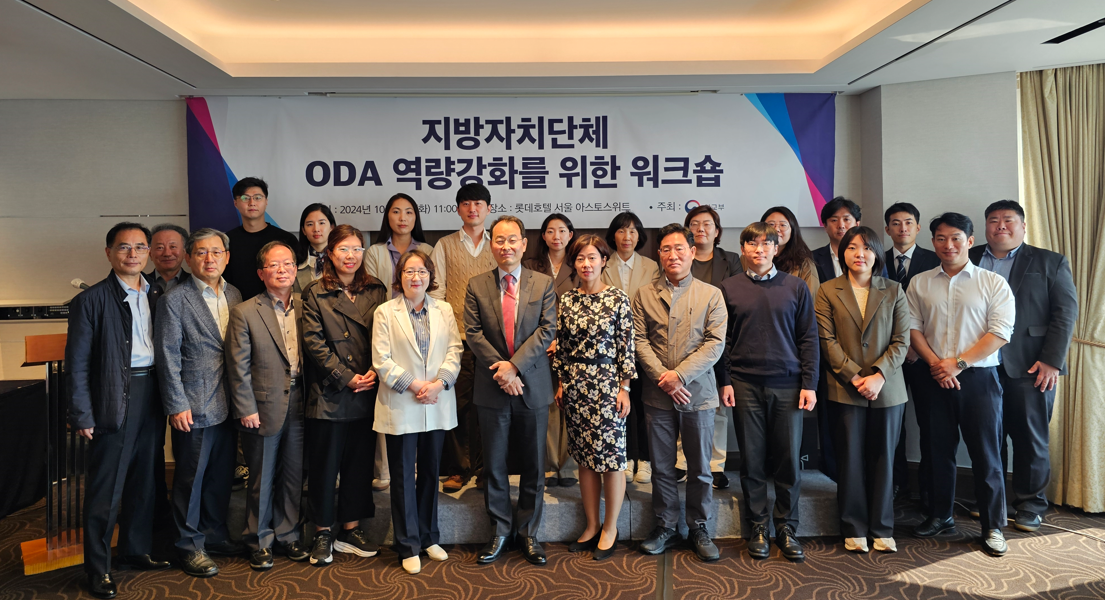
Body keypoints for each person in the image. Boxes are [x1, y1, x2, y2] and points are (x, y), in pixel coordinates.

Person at [67, 222, 170, 599]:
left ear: (149, 253)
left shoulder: (157, 292)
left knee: (145, 478)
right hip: (113, 395)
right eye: (124, 247)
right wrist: (82, 413)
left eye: (140, 247)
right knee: (105, 488)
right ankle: (97, 569)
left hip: (153, 392)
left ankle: (134, 549)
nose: (133, 254)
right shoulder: (90, 300)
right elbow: (77, 364)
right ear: (109, 252)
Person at [908, 212, 1015, 557]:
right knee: (936, 450)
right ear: (933, 242)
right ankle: (941, 515)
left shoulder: (992, 283)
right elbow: (912, 328)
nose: (948, 245)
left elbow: (1000, 333)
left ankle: (993, 525)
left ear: (969, 241)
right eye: (941, 238)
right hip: (934, 376)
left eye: (956, 238)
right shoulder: (920, 282)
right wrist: (936, 364)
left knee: (986, 453)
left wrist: (958, 363)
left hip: (979, 379)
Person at [969, 200, 1077, 533]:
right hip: (980, 365)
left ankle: (1031, 504)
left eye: (1008, 220)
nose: (1000, 226)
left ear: (1023, 226)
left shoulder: (1050, 261)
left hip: (1032, 365)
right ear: (985, 227)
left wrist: (1052, 361)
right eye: (993, 220)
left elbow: (1065, 313)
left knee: (1031, 438)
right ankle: (993, 499)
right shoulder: (969, 257)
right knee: (988, 436)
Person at [718, 222, 819, 562]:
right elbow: (723, 340)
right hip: (744, 384)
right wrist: (725, 380)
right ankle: (758, 526)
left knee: (788, 460)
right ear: (743, 249)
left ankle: (787, 526)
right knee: (752, 460)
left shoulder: (796, 287)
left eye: (766, 244)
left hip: (788, 384)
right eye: (752, 244)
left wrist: (809, 384)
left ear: (776, 249)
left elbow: (809, 339)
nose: (759, 250)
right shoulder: (729, 288)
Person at [464, 215, 557, 566]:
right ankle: (500, 530)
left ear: (524, 243)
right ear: (491, 245)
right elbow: (473, 333)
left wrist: (514, 366)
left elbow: (547, 330)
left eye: (512, 239)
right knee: (494, 465)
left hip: (532, 385)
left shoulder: (543, 283)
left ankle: (529, 533)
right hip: (492, 387)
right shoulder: (476, 285)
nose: (506, 246)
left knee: (534, 465)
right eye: (499, 240)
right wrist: (502, 371)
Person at [633, 223, 727, 562]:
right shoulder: (644, 294)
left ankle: (699, 526)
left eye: (679, 248)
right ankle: (666, 525)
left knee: (700, 467)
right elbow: (638, 340)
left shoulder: (711, 294)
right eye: (666, 249)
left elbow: (715, 343)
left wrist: (680, 376)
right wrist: (664, 378)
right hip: (657, 394)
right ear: (659, 254)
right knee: (662, 466)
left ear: (692, 252)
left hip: (697, 394)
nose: (673, 255)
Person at [154, 228, 244, 577]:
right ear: (189, 259)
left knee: (221, 476)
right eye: (202, 253)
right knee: (190, 479)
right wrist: (176, 403)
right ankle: (188, 545)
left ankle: (214, 534)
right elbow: (167, 355)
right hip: (192, 404)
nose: (210, 259)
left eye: (216, 252)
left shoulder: (234, 294)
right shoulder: (174, 300)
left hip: (230, 402)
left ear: (227, 257)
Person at [814, 226, 909, 554]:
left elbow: (902, 341)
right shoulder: (827, 290)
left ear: (877, 254)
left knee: (885, 459)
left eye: (867, 248)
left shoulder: (894, 290)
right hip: (845, 388)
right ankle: (853, 527)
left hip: (888, 389)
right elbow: (826, 340)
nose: (860, 254)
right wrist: (855, 377)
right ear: (843, 253)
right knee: (849, 459)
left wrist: (879, 376)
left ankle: (882, 528)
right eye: (852, 247)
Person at [300, 225, 389, 567]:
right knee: (324, 466)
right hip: (330, 393)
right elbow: (314, 343)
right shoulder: (315, 292)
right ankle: (322, 531)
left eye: (356, 249)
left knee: (359, 464)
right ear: (330, 254)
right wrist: (346, 377)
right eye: (343, 249)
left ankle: (350, 530)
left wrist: (376, 370)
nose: (350, 256)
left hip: (367, 388)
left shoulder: (375, 289)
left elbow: (385, 335)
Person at [372, 250, 463, 574]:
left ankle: (428, 537)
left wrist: (438, 384)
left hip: (436, 401)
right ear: (400, 277)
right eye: (409, 271)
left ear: (430, 276)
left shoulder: (444, 309)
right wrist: (415, 385)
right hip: (403, 402)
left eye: (422, 271)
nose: (416, 277)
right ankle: (408, 544)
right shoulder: (385, 312)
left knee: (430, 472)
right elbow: (381, 359)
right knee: (401, 476)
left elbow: (454, 349)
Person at [226, 240, 309, 570]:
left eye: (288, 264)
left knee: (293, 475)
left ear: (296, 269)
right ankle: (258, 539)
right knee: (261, 477)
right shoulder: (245, 311)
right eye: (274, 265)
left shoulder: (307, 306)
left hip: (302, 401)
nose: (282, 270)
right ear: (261, 273)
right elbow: (237, 366)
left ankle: (288, 534)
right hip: (262, 406)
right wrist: (246, 407)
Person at [554, 234, 635, 560]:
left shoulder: (617, 298)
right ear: (573, 263)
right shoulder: (568, 300)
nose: (586, 264)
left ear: (604, 261)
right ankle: (591, 525)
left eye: (592, 258)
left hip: (607, 386)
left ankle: (610, 528)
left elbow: (626, 347)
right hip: (575, 386)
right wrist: (562, 382)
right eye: (580, 258)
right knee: (585, 458)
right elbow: (562, 346)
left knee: (611, 460)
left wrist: (625, 387)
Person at [429, 183, 497, 492]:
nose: (473, 208)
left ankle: (485, 470)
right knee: (458, 404)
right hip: (457, 339)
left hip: (493, 341)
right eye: (466, 203)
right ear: (457, 209)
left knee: (490, 408)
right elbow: (436, 292)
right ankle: (458, 468)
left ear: (488, 208)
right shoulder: (444, 245)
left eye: (479, 203)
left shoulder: (499, 243)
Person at [365, 193, 433, 492]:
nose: (402, 218)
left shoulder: (428, 250)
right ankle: (384, 469)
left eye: (408, 212)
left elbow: (434, 292)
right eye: (396, 211)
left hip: (423, 333)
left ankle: (417, 468)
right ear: (387, 216)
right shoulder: (375, 252)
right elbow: (371, 294)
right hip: (387, 329)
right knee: (391, 400)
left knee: (422, 400)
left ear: (416, 217)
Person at [883, 202, 941, 509]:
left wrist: (918, 350)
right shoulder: (875, 259)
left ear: (918, 227)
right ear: (887, 229)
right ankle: (896, 484)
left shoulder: (936, 260)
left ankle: (931, 491)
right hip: (887, 358)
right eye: (895, 223)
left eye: (908, 222)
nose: (902, 228)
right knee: (892, 425)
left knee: (930, 424)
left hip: (926, 357)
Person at [683, 205, 740, 489]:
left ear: (717, 231)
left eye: (707, 224)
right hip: (684, 341)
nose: (700, 229)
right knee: (681, 402)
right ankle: (682, 463)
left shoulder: (731, 260)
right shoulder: (680, 256)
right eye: (694, 224)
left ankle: (715, 465)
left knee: (717, 406)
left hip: (719, 340)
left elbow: (738, 297)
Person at [602, 211, 659, 485]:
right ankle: (624, 457)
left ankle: (645, 460)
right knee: (618, 406)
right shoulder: (603, 264)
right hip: (611, 348)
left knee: (643, 404)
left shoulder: (652, 266)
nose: (627, 236)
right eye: (622, 230)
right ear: (613, 235)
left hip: (645, 345)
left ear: (640, 236)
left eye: (633, 231)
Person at [524, 213, 579, 488]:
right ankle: (548, 465)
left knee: (569, 403)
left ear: (571, 234)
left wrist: (563, 340)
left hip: (573, 347)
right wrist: (545, 340)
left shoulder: (579, 264)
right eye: (550, 231)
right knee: (545, 405)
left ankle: (568, 467)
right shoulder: (530, 266)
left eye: (562, 230)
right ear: (543, 236)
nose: (556, 236)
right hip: (538, 346)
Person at [224, 177, 299, 302]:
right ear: (235, 203)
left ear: (266, 201)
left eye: (257, 197)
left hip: (279, 307)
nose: (252, 203)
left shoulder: (286, 240)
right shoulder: (226, 241)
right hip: (236, 307)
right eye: (245, 198)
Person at [760, 206, 819, 296]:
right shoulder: (749, 258)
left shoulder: (804, 264)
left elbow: (810, 300)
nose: (776, 229)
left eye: (783, 225)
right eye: (771, 224)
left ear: (792, 230)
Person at [294, 203, 335, 292]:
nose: (316, 229)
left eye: (321, 223)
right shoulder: (293, 261)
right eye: (310, 224)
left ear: (332, 227)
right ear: (303, 230)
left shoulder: (342, 259)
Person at [148, 223, 190, 293]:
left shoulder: (195, 283)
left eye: (173, 247)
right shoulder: (140, 283)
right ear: (150, 254)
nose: (167, 254)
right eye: (160, 247)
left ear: (184, 252)